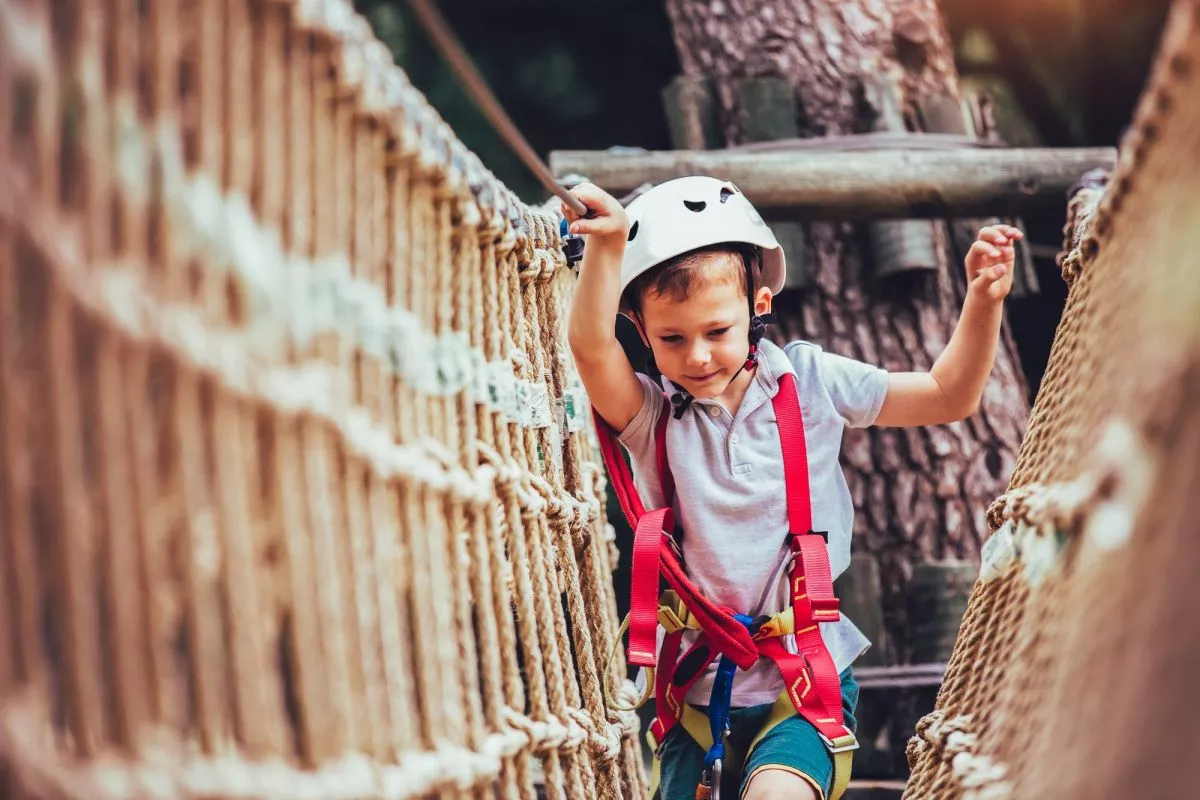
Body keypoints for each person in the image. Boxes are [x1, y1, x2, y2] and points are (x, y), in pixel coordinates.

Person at [564, 176, 1021, 800]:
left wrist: (983, 302)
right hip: (694, 696)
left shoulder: (809, 381)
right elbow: (590, 350)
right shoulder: (652, 418)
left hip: (800, 682)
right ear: (640, 330)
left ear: (759, 306)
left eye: (715, 331)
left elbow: (948, 394)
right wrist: (607, 249)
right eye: (672, 338)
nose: (697, 356)